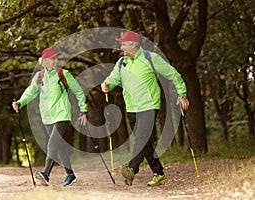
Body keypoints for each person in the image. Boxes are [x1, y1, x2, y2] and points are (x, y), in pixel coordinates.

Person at [101, 31, 189, 186]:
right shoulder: (122, 62)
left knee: (141, 138)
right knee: (145, 142)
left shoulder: (150, 58)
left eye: (123, 44)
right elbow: (113, 79)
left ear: (133, 44)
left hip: (149, 105)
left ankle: (132, 168)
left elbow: (172, 73)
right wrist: (107, 84)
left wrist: (182, 94)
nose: (121, 47)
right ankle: (159, 173)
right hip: (131, 108)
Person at [12, 47, 88, 187]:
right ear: (45, 61)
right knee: (58, 145)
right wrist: (20, 102)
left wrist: (83, 110)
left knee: (53, 142)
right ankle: (70, 175)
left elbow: (78, 92)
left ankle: (46, 174)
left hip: (62, 114)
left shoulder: (63, 74)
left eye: (56, 58)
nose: (56, 61)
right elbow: (30, 92)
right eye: (53, 58)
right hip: (47, 116)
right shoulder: (40, 77)